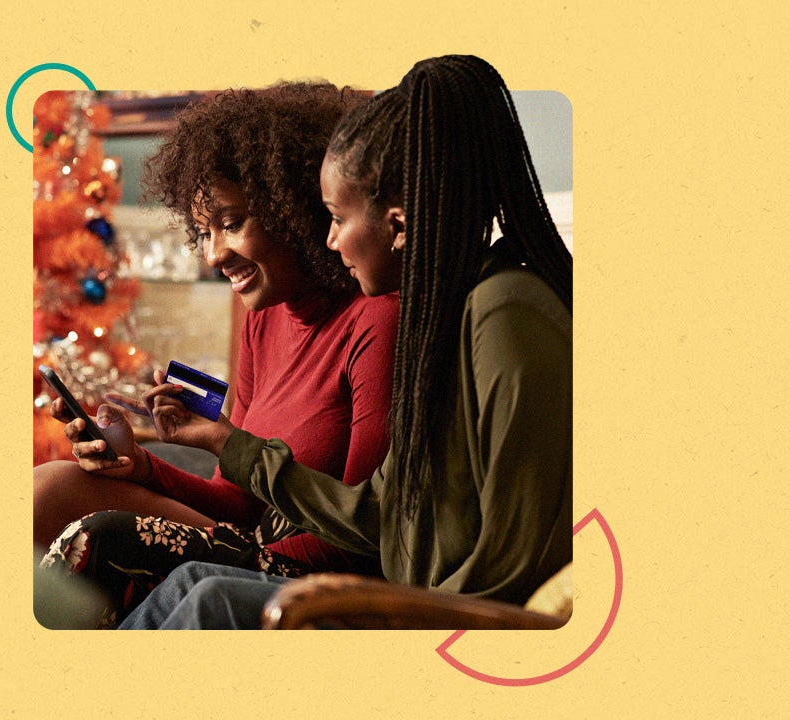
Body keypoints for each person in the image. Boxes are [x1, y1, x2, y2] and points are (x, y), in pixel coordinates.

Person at [117, 54, 573, 629]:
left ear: (399, 225)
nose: (328, 239)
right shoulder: (450, 314)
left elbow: (516, 563)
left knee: (210, 597)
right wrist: (224, 444)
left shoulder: (505, 313)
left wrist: (393, 611)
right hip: (415, 601)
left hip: (450, 620)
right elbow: (379, 515)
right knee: (194, 583)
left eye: (335, 216)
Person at [33, 83, 398, 628]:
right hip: (246, 545)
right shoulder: (261, 317)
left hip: (314, 571)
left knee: (98, 535)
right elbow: (237, 501)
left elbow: (366, 538)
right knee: (47, 488)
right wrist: (141, 465)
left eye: (230, 224)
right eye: (203, 231)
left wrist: (217, 548)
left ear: (292, 208)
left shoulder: (376, 320)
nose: (213, 255)